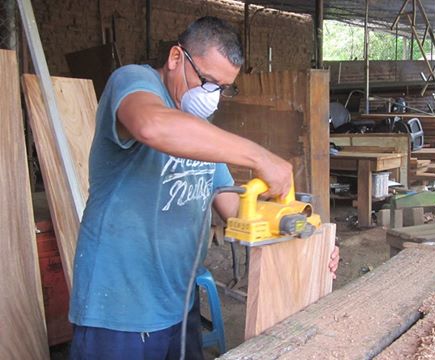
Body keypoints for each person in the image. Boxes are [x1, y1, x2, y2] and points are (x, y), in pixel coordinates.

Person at [69, 16, 339, 360]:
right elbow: (151, 125)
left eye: (223, 88)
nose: (212, 96)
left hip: (179, 304)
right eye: (208, 81)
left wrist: (309, 238)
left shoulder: (198, 132)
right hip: (118, 309)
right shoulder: (134, 82)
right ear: (176, 59)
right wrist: (259, 156)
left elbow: (237, 210)